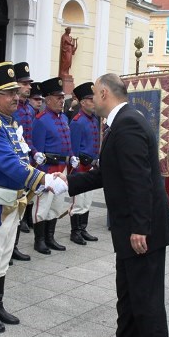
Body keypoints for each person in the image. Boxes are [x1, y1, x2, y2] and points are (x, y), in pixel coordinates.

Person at [63, 73, 169, 337]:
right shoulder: (123, 122)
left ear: (104, 94)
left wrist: (139, 228)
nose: (89, 100)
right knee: (129, 296)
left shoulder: (127, 125)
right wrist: (65, 183)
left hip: (140, 233)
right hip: (132, 230)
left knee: (146, 303)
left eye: (93, 93)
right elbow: (107, 174)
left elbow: (140, 181)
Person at [0, 62, 67, 332]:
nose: (17, 97)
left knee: (2, 257)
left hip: (12, 200)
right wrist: (44, 180)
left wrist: (42, 178)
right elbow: (8, 164)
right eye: (10, 93)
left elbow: (22, 160)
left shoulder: (9, 123)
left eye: (16, 92)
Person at [31, 77, 77, 254]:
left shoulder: (64, 118)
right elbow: (37, 149)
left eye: (62, 97)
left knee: (56, 205)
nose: (61, 101)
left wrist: (71, 156)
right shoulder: (41, 120)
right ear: (47, 99)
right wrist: (40, 177)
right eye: (57, 97)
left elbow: (68, 143)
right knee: (42, 207)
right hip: (48, 170)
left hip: (61, 169)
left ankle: (50, 237)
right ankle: (39, 240)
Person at [68, 82, 100, 245]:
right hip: (80, 166)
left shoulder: (94, 119)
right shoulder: (77, 121)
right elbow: (72, 148)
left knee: (87, 200)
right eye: (90, 99)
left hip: (92, 166)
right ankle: (75, 232)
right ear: (82, 102)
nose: (93, 101)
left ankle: (83, 228)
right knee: (78, 202)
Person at [11, 62, 35, 249]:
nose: (29, 87)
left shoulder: (29, 109)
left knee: (22, 202)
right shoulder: (12, 108)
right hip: (13, 162)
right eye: (25, 84)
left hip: (27, 159)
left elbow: (30, 137)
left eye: (29, 84)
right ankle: (10, 247)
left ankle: (15, 246)